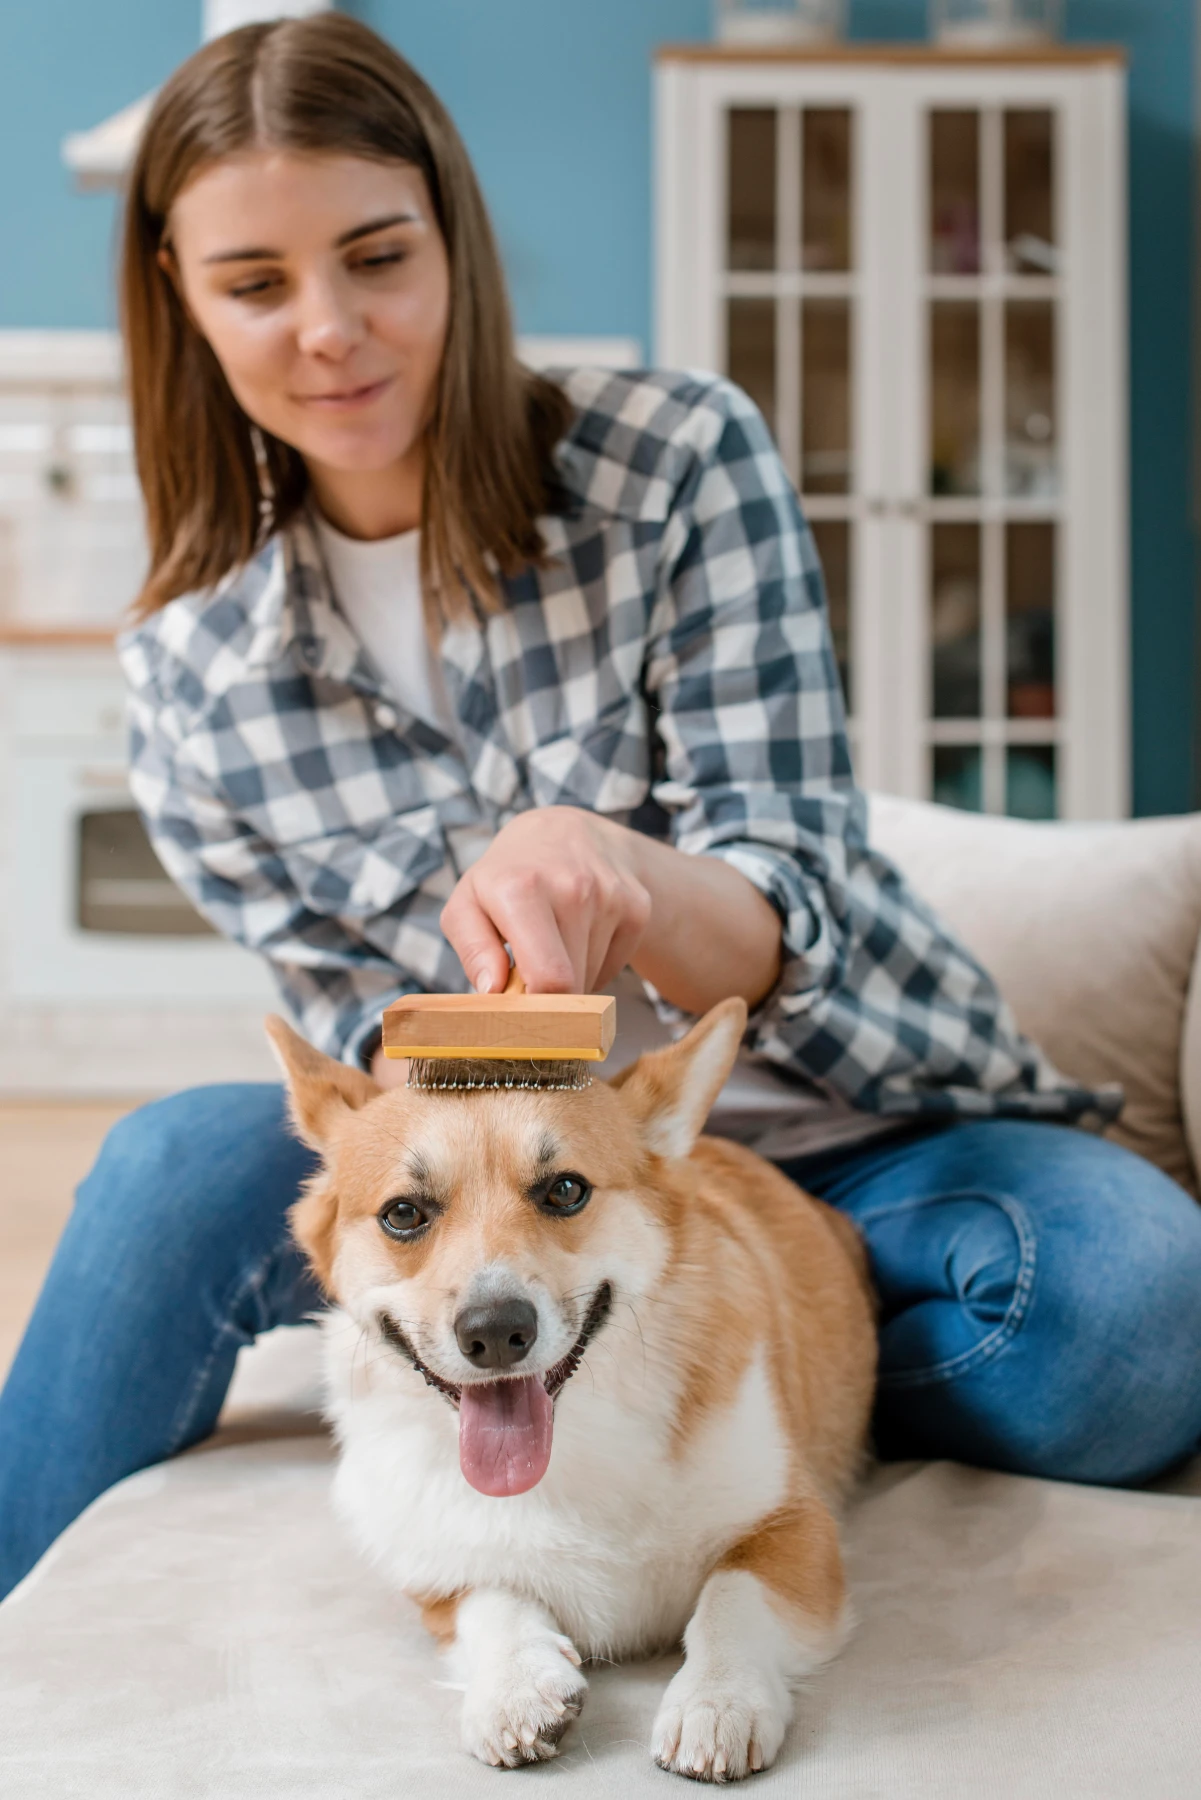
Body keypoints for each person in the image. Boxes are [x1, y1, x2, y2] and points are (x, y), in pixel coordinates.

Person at [2, 12, 1199, 1605]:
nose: (333, 332)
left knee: (1126, 1321)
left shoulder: (676, 460)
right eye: (256, 284)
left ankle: (735, 1377)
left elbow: (799, 887)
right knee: (162, 1174)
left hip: (867, 1133)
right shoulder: (194, 666)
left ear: (454, 234)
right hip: (522, 1191)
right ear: (178, 293)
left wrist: (622, 874)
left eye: (378, 257)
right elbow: (368, 1080)